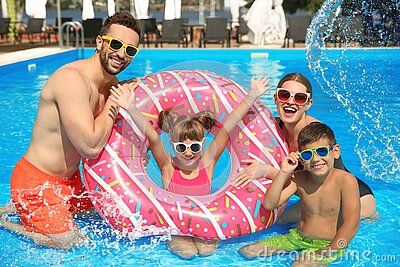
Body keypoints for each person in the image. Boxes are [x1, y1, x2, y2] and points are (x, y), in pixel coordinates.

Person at [0, 12, 141, 249]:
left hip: (71, 182)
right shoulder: (72, 80)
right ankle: (6, 222)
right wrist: (114, 101)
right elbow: (90, 147)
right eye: (116, 44)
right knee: (71, 243)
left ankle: (15, 207)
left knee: (109, 219)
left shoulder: (112, 86)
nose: (121, 54)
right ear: (99, 42)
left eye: (130, 50)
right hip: (37, 181)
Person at [109, 76, 271, 259]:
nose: (188, 153)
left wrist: (252, 96)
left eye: (194, 147)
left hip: (207, 221)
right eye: (181, 147)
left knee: (207, 251)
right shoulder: (168, 166)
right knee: (187, 254)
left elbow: (226, 129)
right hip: (176, 226)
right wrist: (130, 107)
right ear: (171, 144)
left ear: (202, 143)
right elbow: (152, 137)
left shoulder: (207, 163)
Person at [234, 73, 376, 221]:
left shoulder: (316, 134)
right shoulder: (273, 128)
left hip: (352, 199)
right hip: (320, 199)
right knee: (277, 220)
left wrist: (266, 171)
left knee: (283, 223)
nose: (290, 102)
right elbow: (232, 125)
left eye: (299, 98)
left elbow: (316, 184)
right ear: (275, 98)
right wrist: (252, 96)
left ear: (308, 104)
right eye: (284, 95)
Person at [239, 123, 360, 265]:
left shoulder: (346, 181)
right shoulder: (299, 178)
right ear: (301, 159)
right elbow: (270, 204)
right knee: (247, 250)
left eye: (321, 151)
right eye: (308, 154)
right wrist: (284, 172)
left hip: (328, 244)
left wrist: (331, 249)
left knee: (299, 265)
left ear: (335, 151)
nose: (315, 159)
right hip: (297, 237)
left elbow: (351, 223)